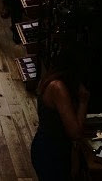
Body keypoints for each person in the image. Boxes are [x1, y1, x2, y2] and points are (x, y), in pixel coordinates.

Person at [30, 49, 90, 181]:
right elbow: (75, 133)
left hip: (48, 148)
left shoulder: (51, 78)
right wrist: (83, 101)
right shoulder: (58, 87)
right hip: (51, 153)